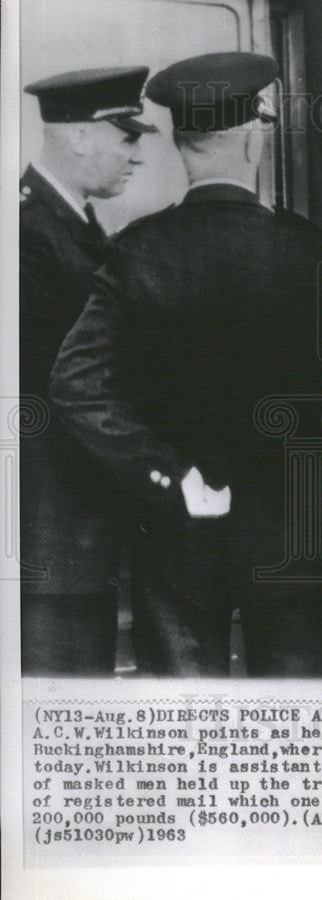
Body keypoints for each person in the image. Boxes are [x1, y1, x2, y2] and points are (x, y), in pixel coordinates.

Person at [50, 52, 322, 678]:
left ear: (176, 142)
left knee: (188, 738)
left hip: (176, 548)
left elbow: (75, 388)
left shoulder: (138, 253)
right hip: (295, 549)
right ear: (254, 138)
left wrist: (167, 474)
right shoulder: (312, 253)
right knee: (297, 746)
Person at [20, 66, 157, 675]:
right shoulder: (26, 231)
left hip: (75, 524)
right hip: (49, 529)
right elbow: (53, 383)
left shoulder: (67, 222)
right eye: (127, 138)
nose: (137, 157)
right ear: (79, 137)